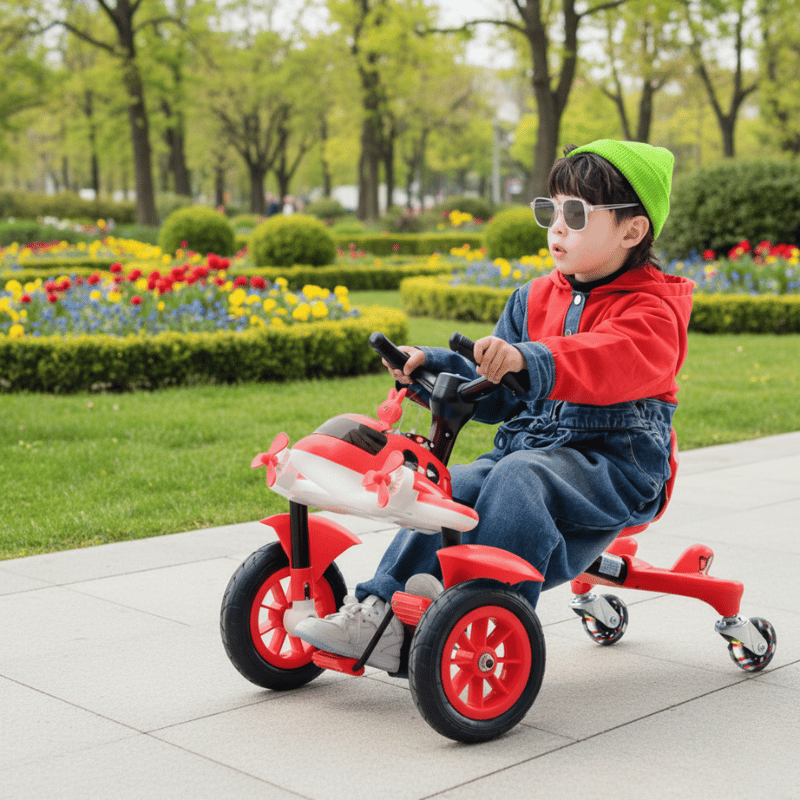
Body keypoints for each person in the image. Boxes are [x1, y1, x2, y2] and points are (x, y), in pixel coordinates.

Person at [295, 139, 695, 673]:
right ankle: (381, 612)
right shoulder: (533, 298)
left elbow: (608, 359)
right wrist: (430, 369)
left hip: (615, 465)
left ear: (632, 230)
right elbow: (495, 390)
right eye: (550, 209)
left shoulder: (653, 311)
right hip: (529, 450)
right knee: (448, 487)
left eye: (575, 214)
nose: (557, 226)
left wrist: (532, 359)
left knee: (518, 477)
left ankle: (484, 617)